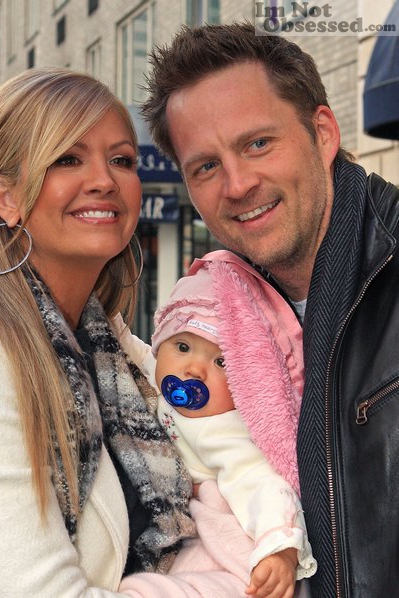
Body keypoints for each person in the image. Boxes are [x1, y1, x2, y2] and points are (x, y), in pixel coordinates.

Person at [0, 66, 265, 598]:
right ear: (6, 197)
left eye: (121, 160)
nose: (104, 180)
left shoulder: (123, 354)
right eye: (67, 159)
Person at [141, 21, 399, 598]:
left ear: (322, 134)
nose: (237, 185)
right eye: (206, 166)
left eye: (258, 143)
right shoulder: (205, 313)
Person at [151, 250, 317, 597]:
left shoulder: (224, 429)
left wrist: (279, 546)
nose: (194, 370)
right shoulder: (155, 388)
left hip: (222, 540)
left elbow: (259, 481)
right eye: (182, 346)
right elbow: (133, 353)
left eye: (221, 362)